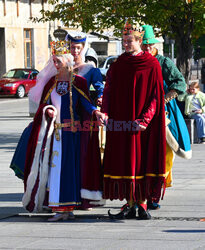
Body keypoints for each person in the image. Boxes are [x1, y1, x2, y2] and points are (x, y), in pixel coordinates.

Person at [22, 39, 105, 221]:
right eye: (54, 61)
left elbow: (85, 103)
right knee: (54, 170)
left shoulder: (79, 82)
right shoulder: (52, 81)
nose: (55, 64)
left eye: (58, 61)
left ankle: (68, 209)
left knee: (70, 170)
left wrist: (96, 112)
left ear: (67, 61)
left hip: (72, 134)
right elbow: (44, 105)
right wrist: (48, 110)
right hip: (54, 134)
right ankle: (59, 208)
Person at [101, 22, 166, 220]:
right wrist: (104, 112)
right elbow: (109, 90)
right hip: (121, 120)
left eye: (129, 41)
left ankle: (143, 202)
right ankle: (129, 203)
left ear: (139, 41)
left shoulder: (151, 63)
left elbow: (156, 95)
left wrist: (146, 118)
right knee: (125, 159)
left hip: (144, 123)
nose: (126, 44)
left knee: (143, 160)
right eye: (124, 41)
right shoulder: (118, 64)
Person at [141, 25, 192, 209]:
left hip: (164, 113)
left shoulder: (164, 63)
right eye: (143, 44)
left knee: (164, 153)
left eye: (149, 45)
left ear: (154, 45)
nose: (146, 48)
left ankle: (156, 192)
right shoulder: (138, 62)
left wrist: (163, 99)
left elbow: (180, 84)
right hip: (141, 113)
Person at [66, 33, 104, 107]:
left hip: (84, 107)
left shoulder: (90, 69)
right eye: (73, 47)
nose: (75, 51)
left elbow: (100, 87)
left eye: (78, 48)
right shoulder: (63, 67)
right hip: (65, 106)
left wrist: (100, 97)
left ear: (83, 48)